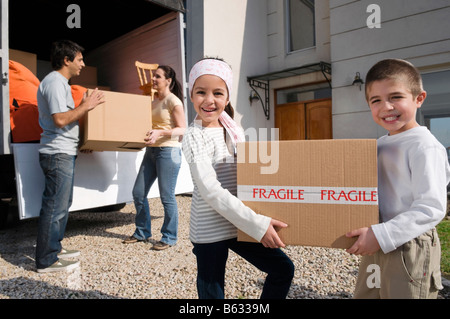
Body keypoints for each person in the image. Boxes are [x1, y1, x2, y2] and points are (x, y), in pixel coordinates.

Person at [182, 57, 294, 299]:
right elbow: (211, 190)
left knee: (283, 269)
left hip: (240, 220)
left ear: (228, 97)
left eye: (218, 93)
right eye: (201, 92)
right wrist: (258, 224)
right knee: (213, 295)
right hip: (211, 228)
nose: (209, 100)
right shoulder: (193, 136)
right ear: (191, 96)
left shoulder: (233, 129)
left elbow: (252, 175)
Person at [346, 58, 450, 298]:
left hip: (409, 243)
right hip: (376, 237)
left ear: (419, 98)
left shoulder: (424, 146)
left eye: (396, 97)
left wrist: (381, 235)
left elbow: (431, 208)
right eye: (376, 100)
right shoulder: (380, 144)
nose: (386, 107)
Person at [36, 40, 104, 273]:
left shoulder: (60, 83)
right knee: (55, 207)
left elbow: (65, 120)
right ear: (66, 60)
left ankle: (54, 247)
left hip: (63, 152)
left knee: (62, 205)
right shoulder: (55, 82)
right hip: (57, 154)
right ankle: (46, 260)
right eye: (79, 59)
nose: (83, 64)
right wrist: (87, 106)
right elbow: (61, 119)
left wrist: (80, 142)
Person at [123, 65, 186, 250]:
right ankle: (142, 232)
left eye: (158, 76)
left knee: (167, 197)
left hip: (168, 152)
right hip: (151, 152)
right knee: (138, 192)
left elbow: (182, 129)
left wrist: (160, 133)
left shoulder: (173, 101)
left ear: (168, 81)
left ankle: (169, 236)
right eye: (153, 76)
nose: (153, 79)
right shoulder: (153, 102)